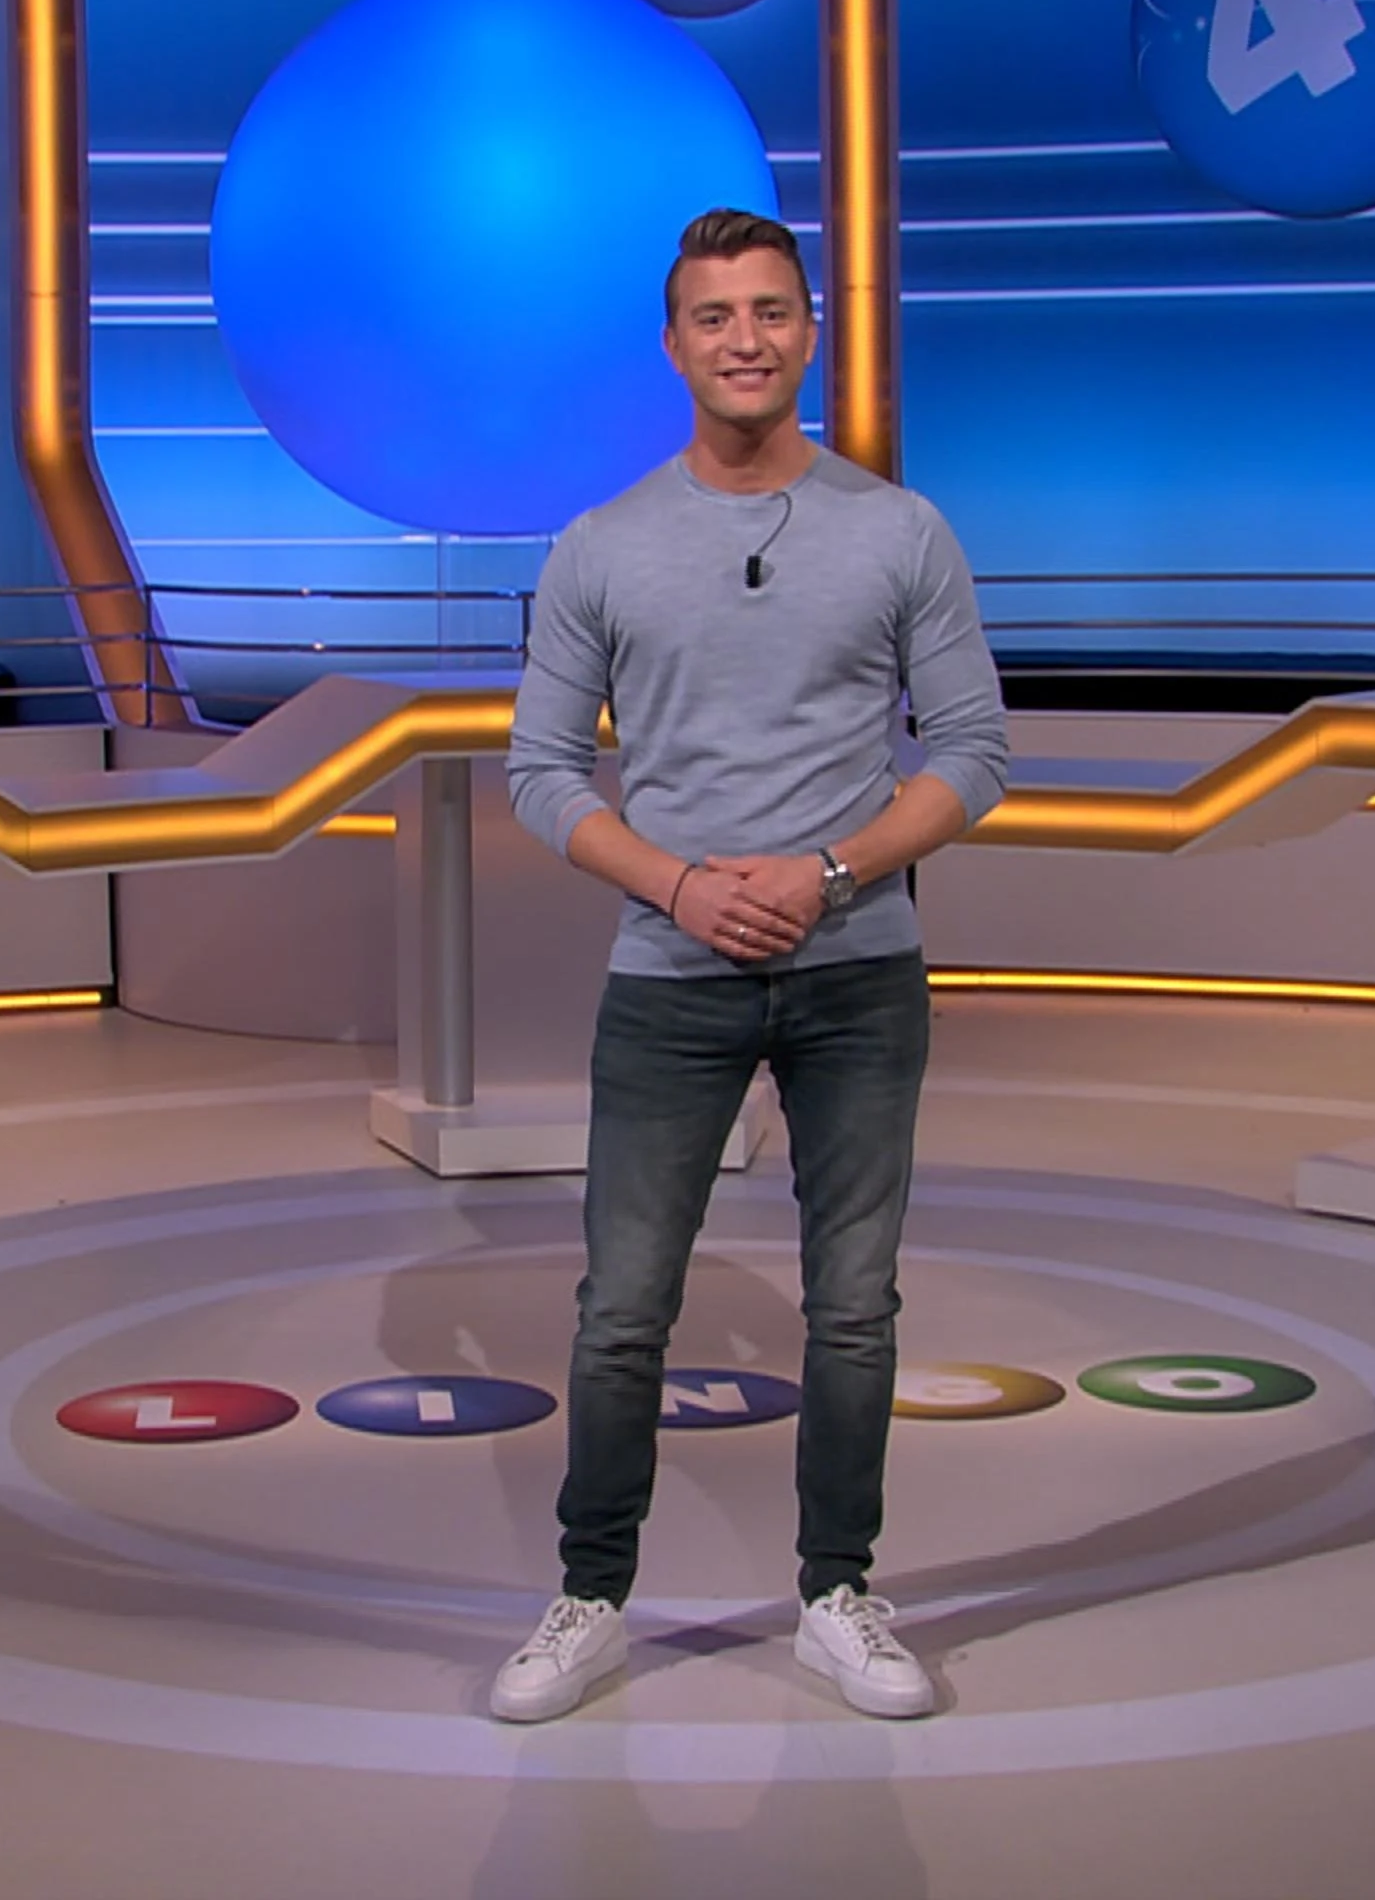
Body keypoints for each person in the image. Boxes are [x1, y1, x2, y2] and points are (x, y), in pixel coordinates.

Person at [494, 209, 1011, 1725]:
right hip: (668, 974)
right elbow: (540, 773)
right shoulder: (599, 547)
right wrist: (680, 885)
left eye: (771, 311)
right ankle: (590, 1599)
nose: (745, 339)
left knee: (853, 1306)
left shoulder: (901, 532)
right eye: (715, 316)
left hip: (860, 971)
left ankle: (837, 1595)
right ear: (674, 346)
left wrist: (827, 870)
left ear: (810, 330)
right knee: (622, 1310)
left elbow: (973, 757)